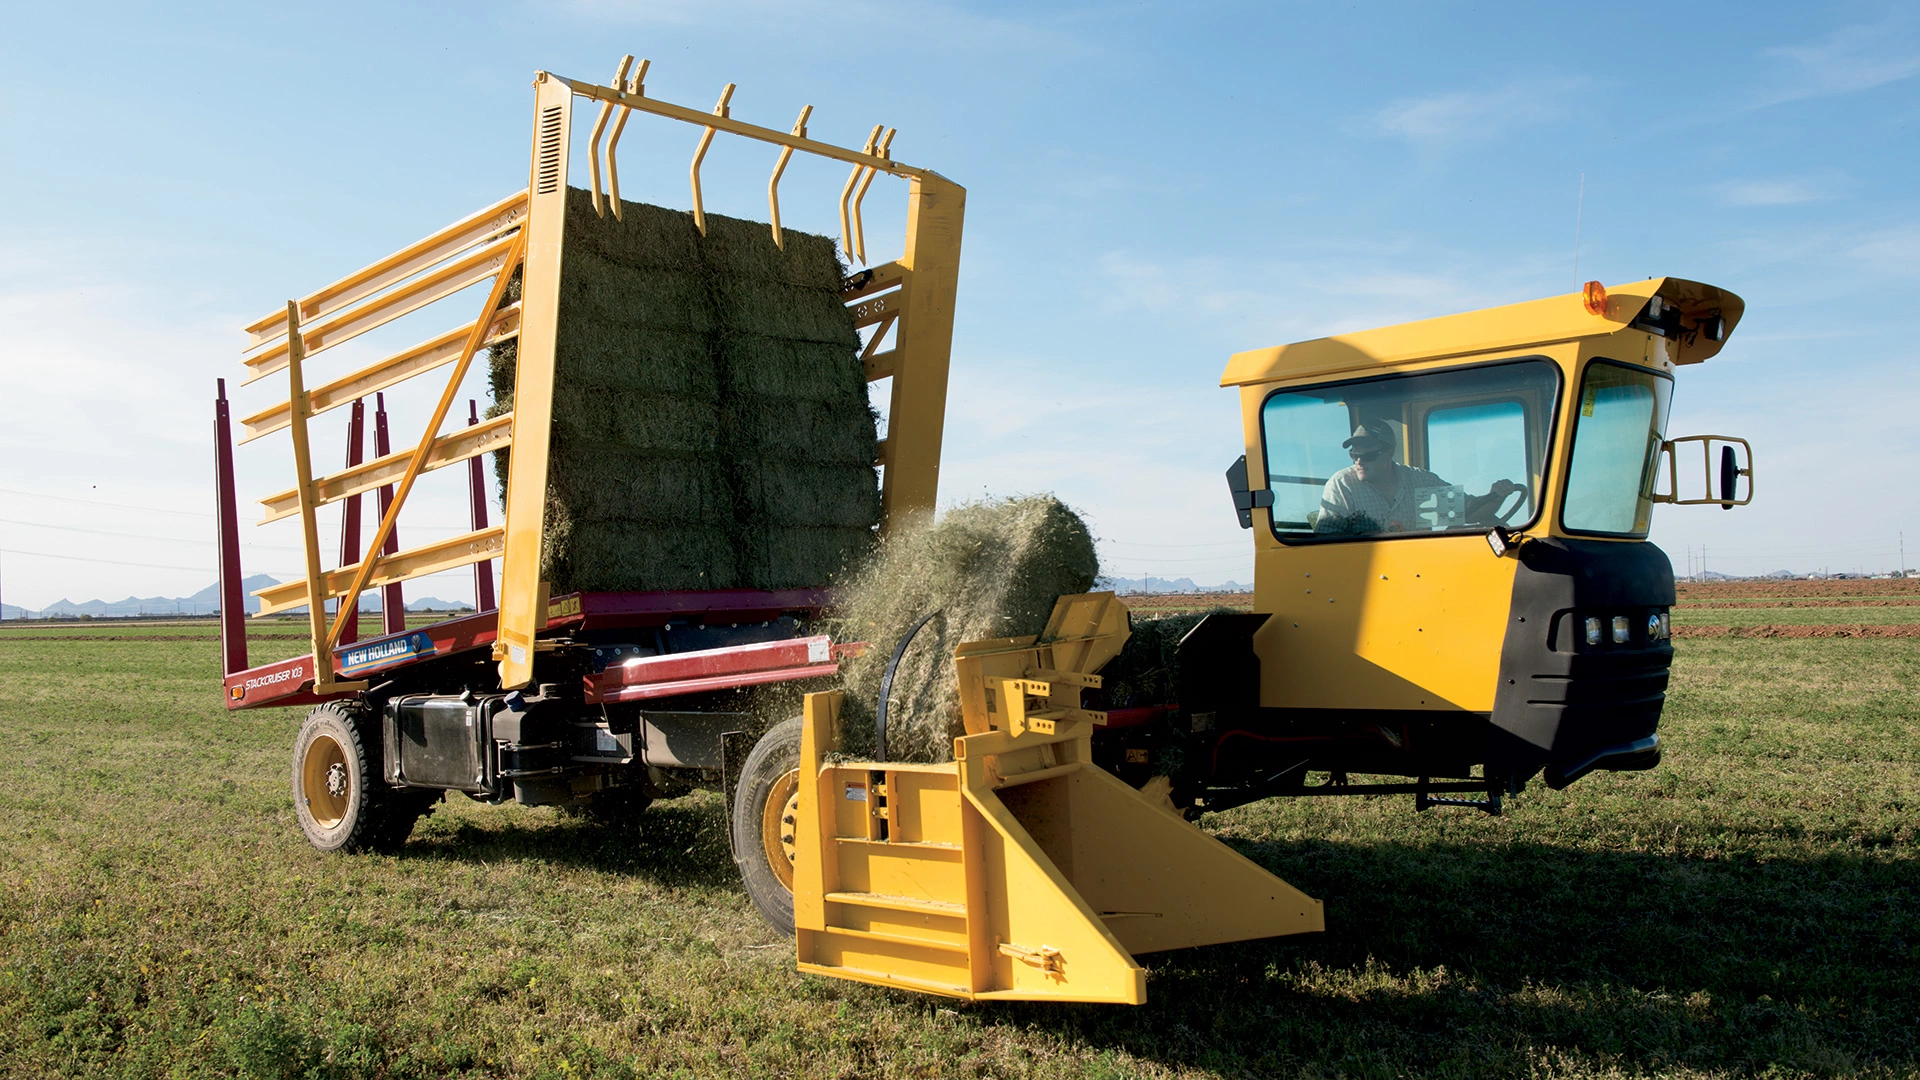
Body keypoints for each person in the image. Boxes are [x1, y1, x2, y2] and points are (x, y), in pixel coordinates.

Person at [1316, 420, 1523, 535]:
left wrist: (1496, 496)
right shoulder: (1342, 484)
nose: (1359, 462)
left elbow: (1471, 513)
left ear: (1389, 453)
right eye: (1354, 455)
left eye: (1368, 456)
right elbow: (1323, 542)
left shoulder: (1420, 482)